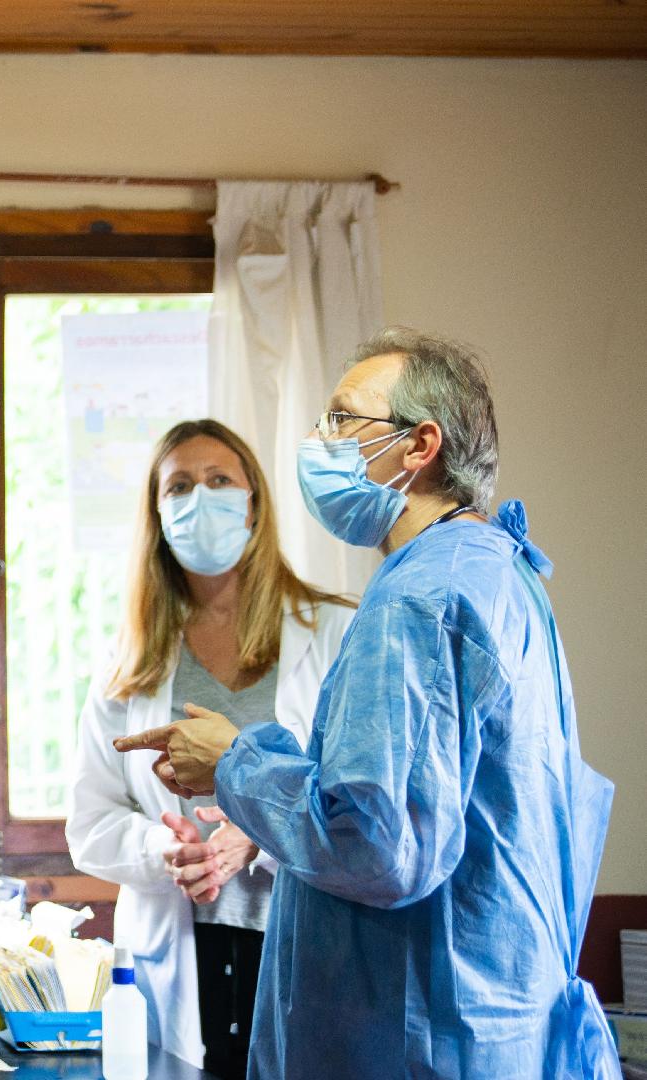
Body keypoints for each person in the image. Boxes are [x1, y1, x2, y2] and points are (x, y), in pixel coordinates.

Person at [115, 328, 620, 1078]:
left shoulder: (421, 599)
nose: (318, 443)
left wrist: (234, 764)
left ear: (419, 446)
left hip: (415, 1031)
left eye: (341, 421)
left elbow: (378, 849)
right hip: (481, 1020)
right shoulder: (493, 573)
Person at [66, 420, 354, 1075]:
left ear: (254, 503)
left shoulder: (336, 632)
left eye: (220, 480)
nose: (200, 499)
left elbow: (363, 804)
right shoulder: (131, 662)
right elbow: (91, 822)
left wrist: (259, 831)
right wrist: (166, 848)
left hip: (299, 937)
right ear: (157, 515)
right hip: (176, 944)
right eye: (180, 486)